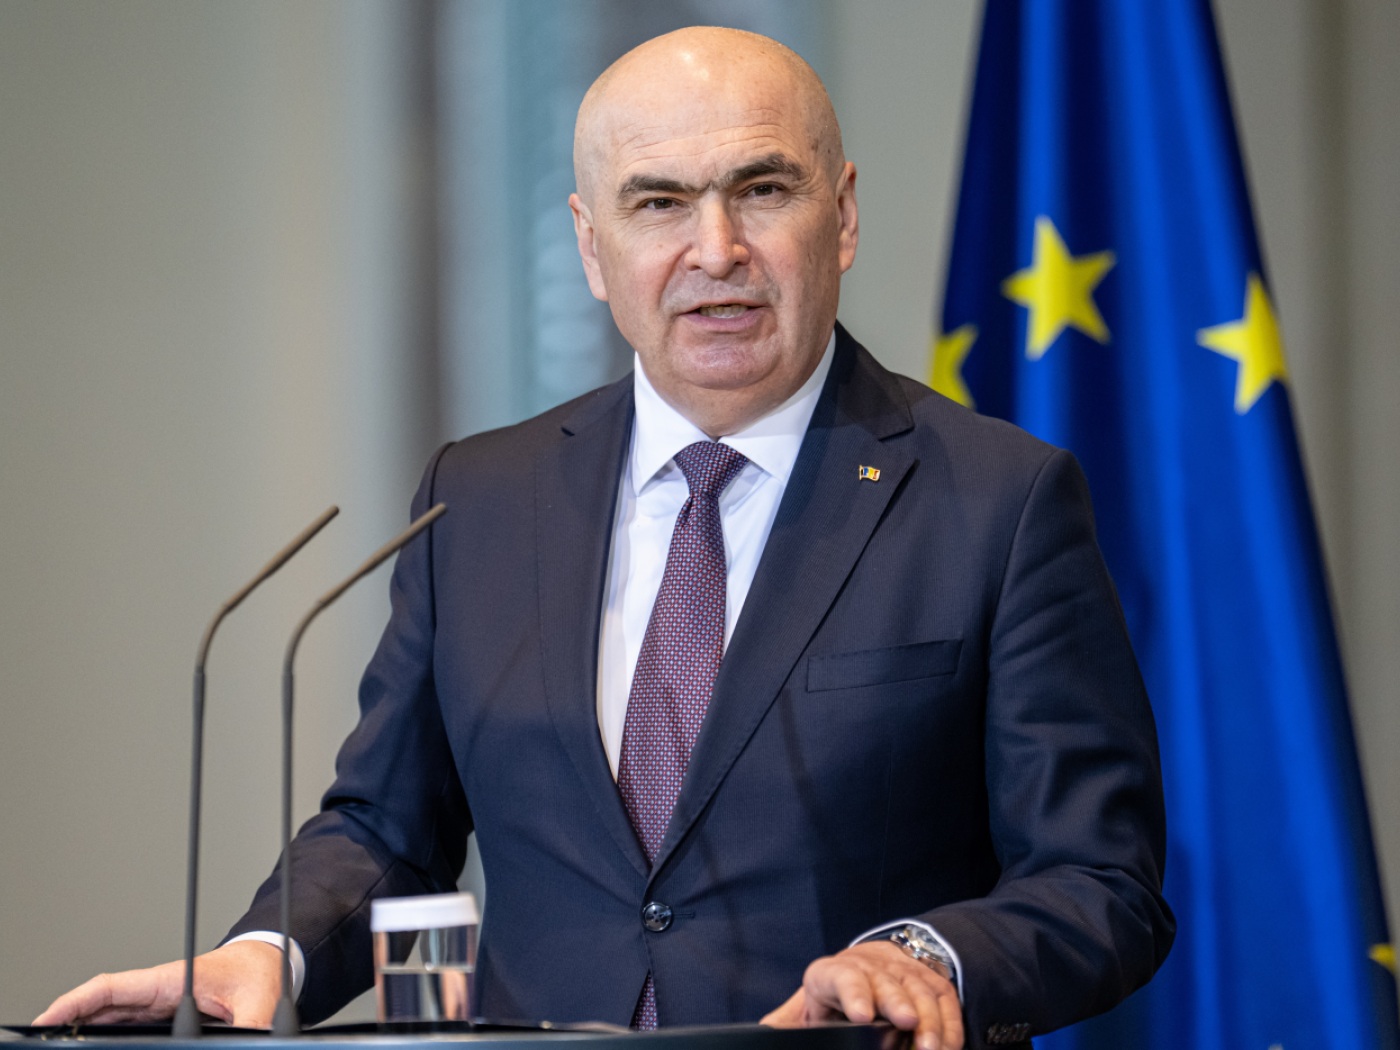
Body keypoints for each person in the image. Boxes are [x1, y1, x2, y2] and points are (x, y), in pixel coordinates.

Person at [36, 27, 1173, 1050]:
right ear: (590, 246)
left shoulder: (998, 500)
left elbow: (1099, 879)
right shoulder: (479, 497)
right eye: (658, 203)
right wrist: (266, 953)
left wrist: (922, 957)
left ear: (843, 215)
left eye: (761, 189)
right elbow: (389, 827)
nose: (715, 249)